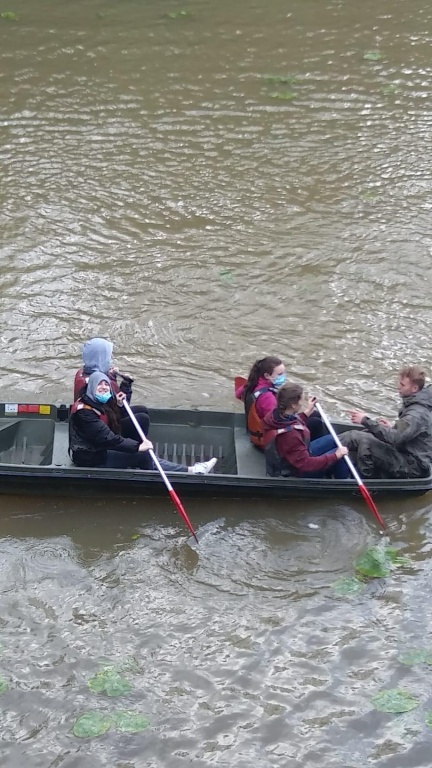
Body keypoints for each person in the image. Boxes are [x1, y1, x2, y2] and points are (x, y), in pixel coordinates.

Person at [69, 372, 217, 475]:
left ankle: (146, 461)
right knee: (143, 455)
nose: (104, 387)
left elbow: (114, 416)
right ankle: (190, 470)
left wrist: (121, 399)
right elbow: (108, 438)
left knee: (142, 414)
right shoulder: (85, 413)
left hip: (100, 445)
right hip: (91, 456)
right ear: (92, 387)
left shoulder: (95, 400)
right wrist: (137, 447)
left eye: (106, 384)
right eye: (99, 385)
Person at [339, 365, 432, 479]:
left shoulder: (417, 414)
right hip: (404, 452)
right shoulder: (415, 403)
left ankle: (366, 479)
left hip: (413, 466)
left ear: (414, 388)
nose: (398, 387)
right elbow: (404, 433)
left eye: (402, 385)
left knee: (365, 442)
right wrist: (392, 428)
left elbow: (395, 437)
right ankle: (317, 457)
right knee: (356, 435)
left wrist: (365, 420)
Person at [263, 383, 349, 478]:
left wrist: (306, 412)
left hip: (294, 458)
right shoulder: (291, 436)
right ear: (294, 405)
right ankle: (342, 483)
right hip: (298, 471)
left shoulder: (275, 415)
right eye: (302, 400)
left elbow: (291, 423)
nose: (303, 403)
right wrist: (335, 456)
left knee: (335, 440)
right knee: (341, 457)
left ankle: (331, 470)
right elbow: (307, 464)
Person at [235, 356, 323, 447]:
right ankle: (308, 453)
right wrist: (306, 413)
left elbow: (238, 394)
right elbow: (278, 424)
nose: (283, 377)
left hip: (259, 433)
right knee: (315, 422)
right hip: (269, 441)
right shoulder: (267, 398)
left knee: (315, 415)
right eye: (280, 374)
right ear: (267, 375)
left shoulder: (252, 384)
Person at [73, 337, 150, 438]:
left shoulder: (84, 373)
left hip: (106, 415)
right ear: (100, 358)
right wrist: (125, 385)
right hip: (104, 428)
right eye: (108, 356)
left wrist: (111, 376)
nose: (110, 359)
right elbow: (118, 408)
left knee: (143, 410)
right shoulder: (95, 384)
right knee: (142, 419)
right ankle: (134, 448)